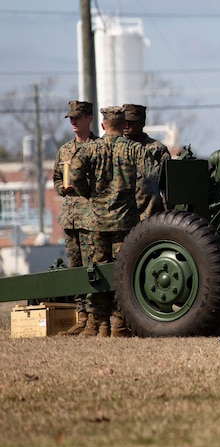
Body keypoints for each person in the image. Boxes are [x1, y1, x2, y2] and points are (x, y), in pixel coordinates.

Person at [69, 106, 149, 336]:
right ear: (124, 126)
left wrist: (88, 195)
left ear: (103, 125)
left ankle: (98, 323)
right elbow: (149, 182)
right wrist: (135, 204)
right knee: (122, 273)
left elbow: (74, 175)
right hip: (125, 222)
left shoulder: (89, 149)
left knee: (95, 272)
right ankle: (119, 324)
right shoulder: (135, 150)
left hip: (95, 221)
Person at [53, 100, 98, 335]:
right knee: (75, 268)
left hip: (91, 218)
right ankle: (80, 316)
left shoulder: (98, 147)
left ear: (88, 118)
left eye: (77, 117)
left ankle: (94, 317)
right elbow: (57, 179)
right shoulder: (65, 150)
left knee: (93, 268)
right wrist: (63, 188)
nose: (72, 121)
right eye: (70, 118)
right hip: (70, 217)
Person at [122, 103, 171, 220]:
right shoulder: (117, 149)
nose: (126, 126)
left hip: (150, 216)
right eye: (124, 122)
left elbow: (166, 185)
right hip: (122, 215)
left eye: (131, 122)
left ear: (142, 122)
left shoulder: (157, 149)